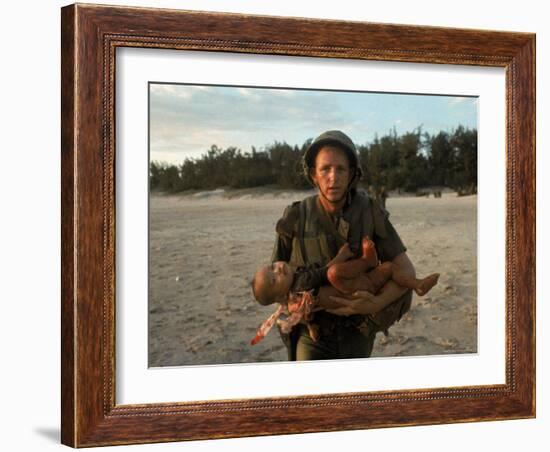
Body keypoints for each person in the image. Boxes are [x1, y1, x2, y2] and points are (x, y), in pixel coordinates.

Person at [271, 130, 417, 361]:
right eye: (325, 169)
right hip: (311, 337)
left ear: (352, 173)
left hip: (357, 334)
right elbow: (274, 282)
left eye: (341, 169)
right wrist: (292, 304)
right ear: (313, 174)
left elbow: (407, 272)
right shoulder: (296, 216)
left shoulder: (370, 212)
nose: (333, 177)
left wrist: (375, 303)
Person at [251, 237, 439, 345]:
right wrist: (342, 255)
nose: (279, 269)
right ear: (278, 296)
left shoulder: (293, 304)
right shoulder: (301, 283)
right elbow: (325, 271)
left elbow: (310, 316)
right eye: (274, 279)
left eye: (272, 266)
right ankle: (367, 262)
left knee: (390, 267)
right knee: (334, 273)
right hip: (358, 289)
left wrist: (312, 327)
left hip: (361, 287)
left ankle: (417, 284)